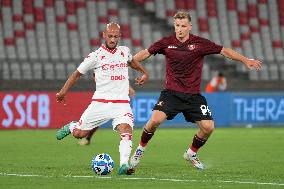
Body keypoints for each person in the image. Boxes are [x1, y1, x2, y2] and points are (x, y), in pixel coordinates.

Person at [129, 11, 262, 170]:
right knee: (155, 121)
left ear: (190, 26)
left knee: (208, 127)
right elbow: (145, 53)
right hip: (171, 93)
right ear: (174, 25)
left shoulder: (200, 43)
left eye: (183, 26)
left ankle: (191, 153)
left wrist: (245, 60)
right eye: (177, 26)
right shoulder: (166, 42)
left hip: (193, 96)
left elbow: (224, 51)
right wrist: (130, 61)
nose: (180, 29)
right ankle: (139, 150)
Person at [55, 22, 149, 175]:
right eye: (110, 36)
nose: (112, 39)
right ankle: (72, 127)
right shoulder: (95, 56)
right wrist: (63, 92)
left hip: (122, 103)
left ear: (119, 36)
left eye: (115, 36)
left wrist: (145, 73)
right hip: (100, 102)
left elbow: (133, 63)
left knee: (126, 129)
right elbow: (77, 74)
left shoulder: (124, 51)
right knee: (80, 133)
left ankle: (124, 164)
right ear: (104, 35)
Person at [78, 73, 136, 146]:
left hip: (118, 98)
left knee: (122, 120)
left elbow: (122, 77)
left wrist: (129, 88)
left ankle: (126, 140)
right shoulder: (103, 69)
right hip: (105, 99)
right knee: (97, 120)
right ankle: (87, 138)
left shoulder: (115, 69)